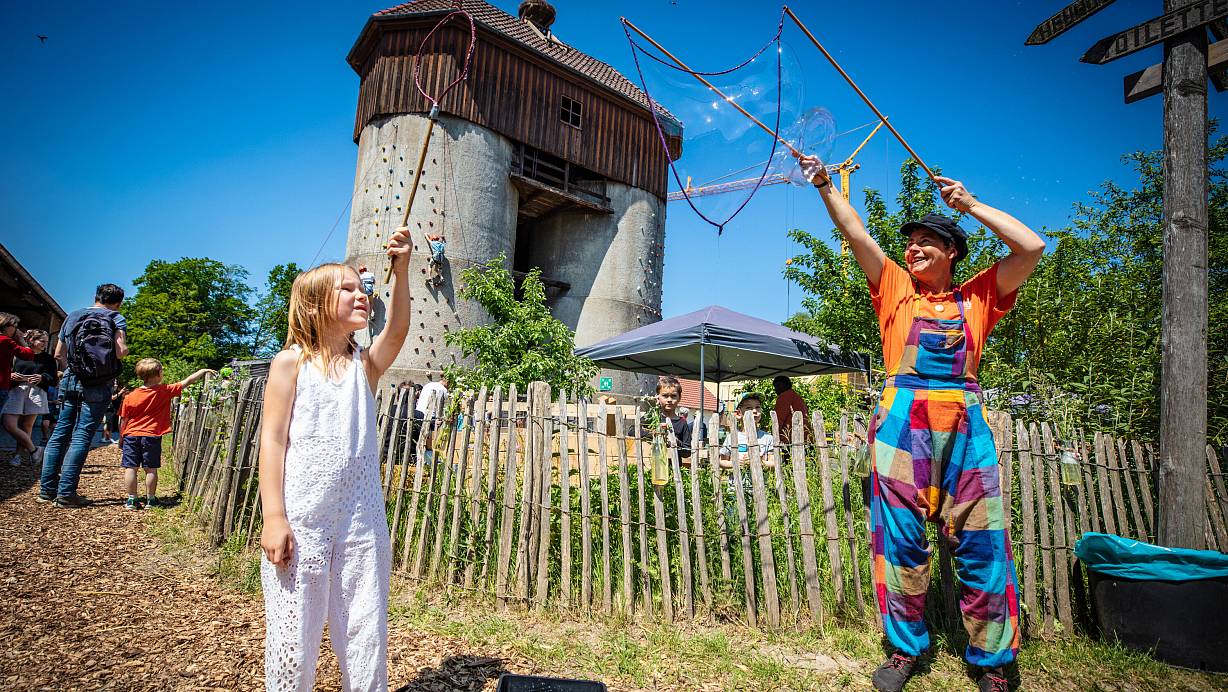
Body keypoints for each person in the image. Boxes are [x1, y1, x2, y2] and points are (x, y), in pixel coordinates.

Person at [801, 154, 1044, 691]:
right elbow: (855, 230)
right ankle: (904, 650)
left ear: (952, 252)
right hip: (899, 426)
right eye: (909, 242)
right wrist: (822, 182)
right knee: (902, 544)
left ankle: (992, 663)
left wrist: (971, 203)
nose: (911, 248)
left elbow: (1031, 247)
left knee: (983, 544)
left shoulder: (978, 296)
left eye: (925, 242)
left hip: (963, 425)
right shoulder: (893, 288)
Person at [257, 225, 410, 691]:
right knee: (294, 635)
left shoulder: (366, 365)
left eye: (361, 287)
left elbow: (399, 328)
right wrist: (274, 516)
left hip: (363, 523)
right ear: (313, 304)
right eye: (346, 289)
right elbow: (273, 441)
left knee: (366, 633)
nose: (361, 294)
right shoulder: (290, 364)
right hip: (303, 519)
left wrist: (402, 271)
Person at [39, 283, 128, 508]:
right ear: (119, 302)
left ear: (95, 297)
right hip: (98, 383)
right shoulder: (116, 318)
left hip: (71, 378)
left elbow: (58, 353)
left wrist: (76, 368)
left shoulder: (73, 316)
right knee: (82, 435)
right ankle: (66, 493)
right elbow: (120, 351)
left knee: (60, 431)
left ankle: (46, 490)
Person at [118, 358, 214, 510]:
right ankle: (150, 499)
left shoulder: (130, 396)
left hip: (131, 434)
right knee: (151, 469)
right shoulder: (164, 391)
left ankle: (131, 500)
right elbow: (186, 381)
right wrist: (202, 371)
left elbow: (124, 419)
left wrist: (122, 436)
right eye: (161, 370)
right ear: (157, 374)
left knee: (131, 468)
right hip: (151, 435)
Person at [4, 329, 57, 466]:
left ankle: (17, 456)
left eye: (46, 341)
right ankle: (34, 450)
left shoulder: (48, 359)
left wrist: (42, 377)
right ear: (32, 341)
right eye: (42, 341)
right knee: (9, 424)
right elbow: (6, 370)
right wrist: (11, 375)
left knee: (27, 425)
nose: (45, 344)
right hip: (16, 390)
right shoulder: (18, 354)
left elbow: (53, 379)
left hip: (36, 392)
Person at [0, 315, 38, 464]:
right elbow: (28, 355)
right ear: (7, 326)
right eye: (14, 327)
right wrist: (21, 339)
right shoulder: (6, 341)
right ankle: (33, 450)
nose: (15, 330)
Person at [720, 393, 774, 468]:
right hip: (737, 479)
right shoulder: (732, 437)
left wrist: (759, 462)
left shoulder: (768, 438)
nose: (755, 411)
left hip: (760, 479)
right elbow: (723, 461)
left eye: (757, 407)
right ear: (738, 414)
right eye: (749, 408)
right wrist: (735, 463)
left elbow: (774, 463)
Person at [772, 375, 810, 445]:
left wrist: (774, 435)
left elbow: (779, 419)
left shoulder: (784, 396)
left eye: (777, 386)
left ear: (784, 385)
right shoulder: (797, 397)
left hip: (790, 439)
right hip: (805, 437)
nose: (776, 390)